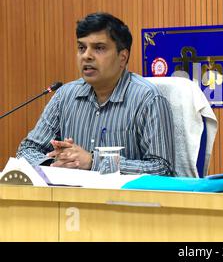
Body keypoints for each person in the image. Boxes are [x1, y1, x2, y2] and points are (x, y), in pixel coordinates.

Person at [17, 12, 175, 175]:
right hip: (71, 197)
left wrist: (94, 162)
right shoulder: (64, 96)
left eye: (99, 48)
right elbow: (27, 150)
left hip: (123, 199)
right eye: (81, 48)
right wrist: (57, 163)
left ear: (123, 57)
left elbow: (162, 169)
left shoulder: (148, 99)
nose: (86, 56)